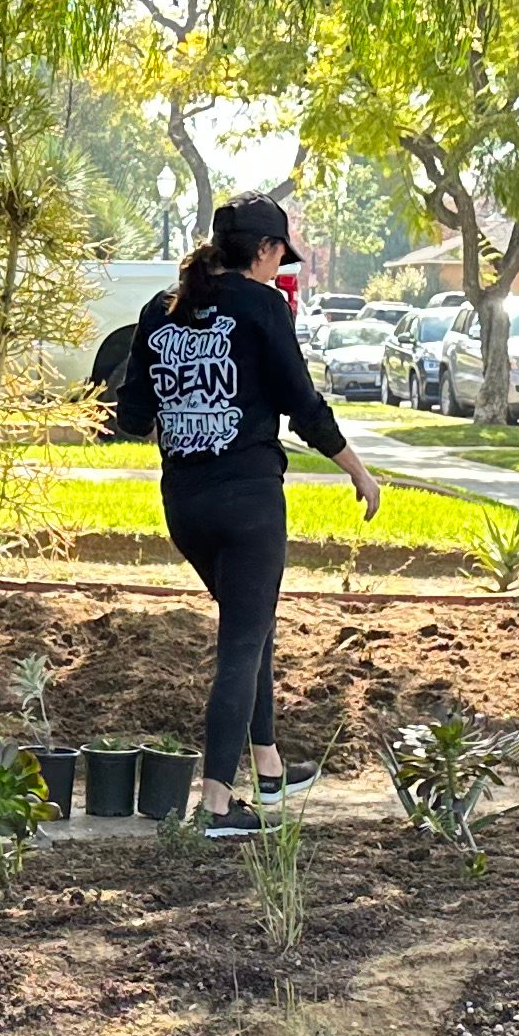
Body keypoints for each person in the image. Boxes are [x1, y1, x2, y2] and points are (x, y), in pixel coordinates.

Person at [110, 195, 382, 838]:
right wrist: (357, 468)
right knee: (241, 644)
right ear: (264, 252)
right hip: (250, 503)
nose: (277, 268)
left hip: (185, 503)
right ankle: (217, 807)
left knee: (249, 626)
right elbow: (302, 403)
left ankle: (269, 767)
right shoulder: (263, 307)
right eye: (277, 258)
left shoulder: (160, 309)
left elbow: (129, 414)